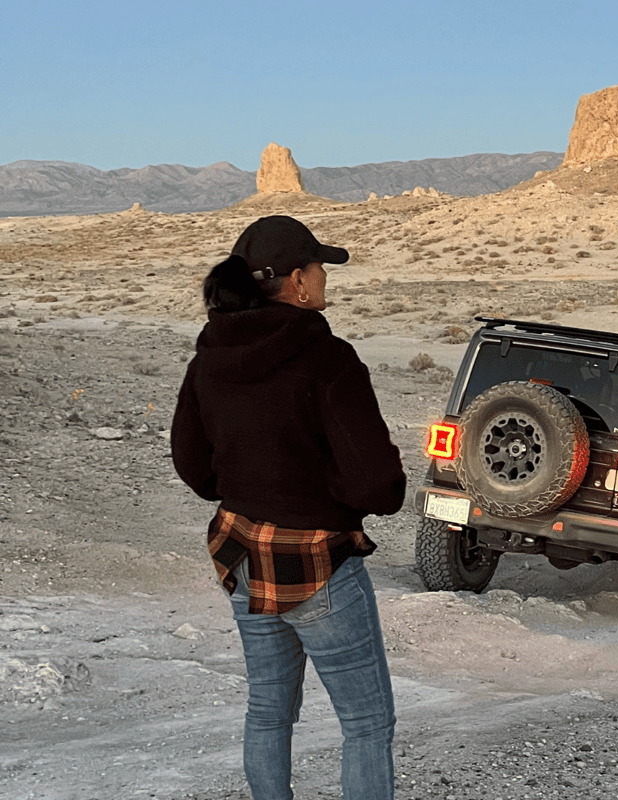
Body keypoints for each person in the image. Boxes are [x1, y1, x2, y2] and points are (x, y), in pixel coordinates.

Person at [171, 215, 406, 800]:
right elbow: (379, 487)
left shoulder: (209, 358)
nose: (325, 278)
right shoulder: (329, 360)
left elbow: (192, 463)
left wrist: (250, 491)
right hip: (317, 563)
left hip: (244, 554)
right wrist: (326, 496)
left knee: (268, 711)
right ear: (297, 282)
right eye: (319, 267)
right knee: (366, 722)